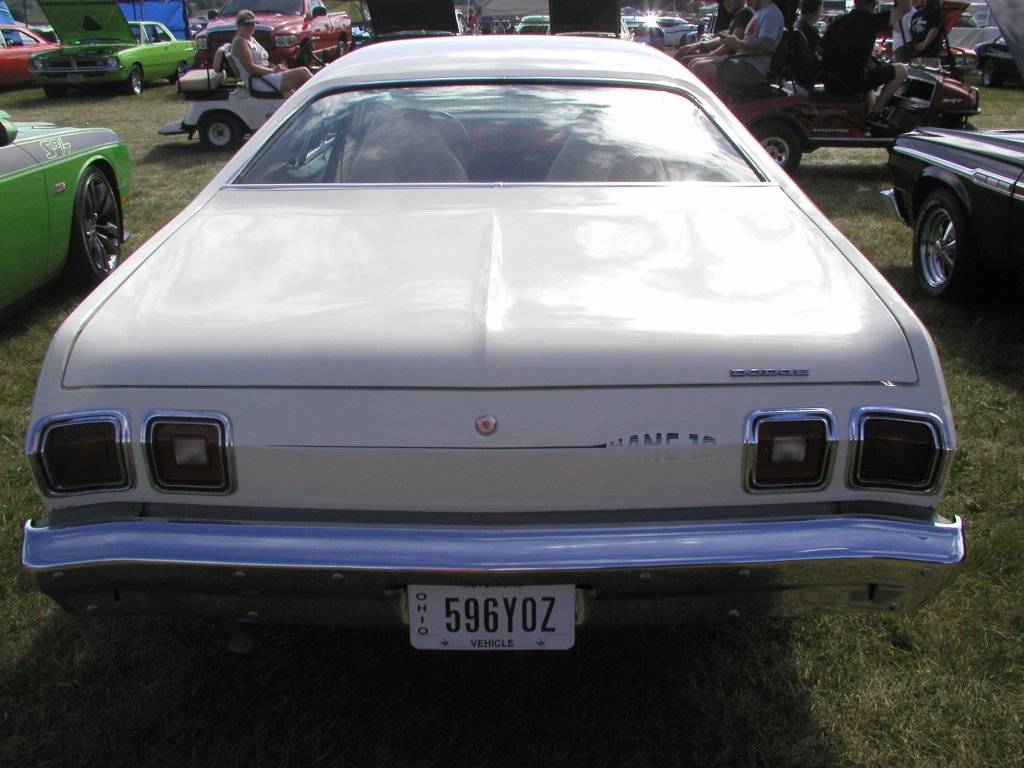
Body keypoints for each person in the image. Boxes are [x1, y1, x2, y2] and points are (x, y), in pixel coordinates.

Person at [820, 0, 908, 124]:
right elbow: (905, 7)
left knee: (868, 75)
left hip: (830, 81)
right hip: (851, 83)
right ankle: (874, 114)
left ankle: (867, 115)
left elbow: (821, 49)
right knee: (901, 70)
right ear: (874, 3)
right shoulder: (871, 20)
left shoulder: (839, 21)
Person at [689, 0, 785, 92]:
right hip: (742, 61)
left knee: (699, 67)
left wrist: (738, 43)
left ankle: (715, 100)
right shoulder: (760, 12)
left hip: (753, 69)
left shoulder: (771, 14)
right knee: (692, 63)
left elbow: (764, 47)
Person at [231, 9, 311, 97]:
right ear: (239, 26)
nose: (251, 27)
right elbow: (251, 69)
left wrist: (276, 67)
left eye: (252, 24)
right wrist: (273, 71)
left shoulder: (251, 39)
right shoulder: (240, 42)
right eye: (247, 25)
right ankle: (320, 96)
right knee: (303, 72)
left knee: (297, 81)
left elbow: (263, 62)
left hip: (264, 77)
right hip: (255, 80)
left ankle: (307, 102)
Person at [673, 0, 752, 63]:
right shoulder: (739, 16)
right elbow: (725, 40)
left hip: (735, 59)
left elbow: (730, 44)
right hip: (729, 57)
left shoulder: (744, 13)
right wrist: (700, 45)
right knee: (684, 51)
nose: (726, 2)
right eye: (723, 1)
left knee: (686, 59)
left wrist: (710, 55)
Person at [909, 0, 943, 67]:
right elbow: (934, 29)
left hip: (916, 55)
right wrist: (924, 43)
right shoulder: (935, 12)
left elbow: (911, 32)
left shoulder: (916, 14)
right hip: (929, 55)